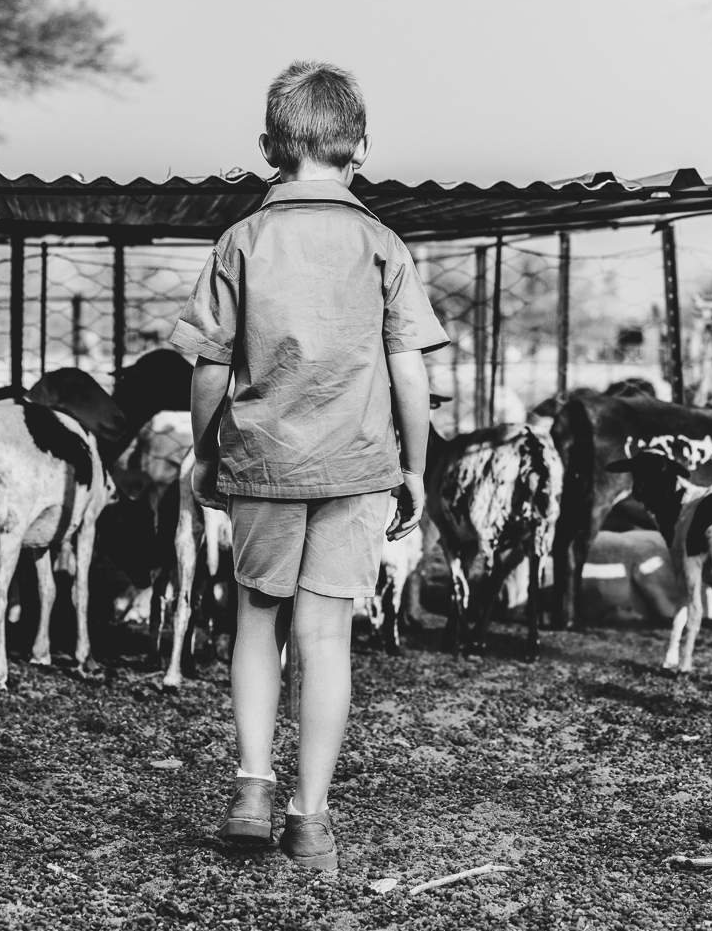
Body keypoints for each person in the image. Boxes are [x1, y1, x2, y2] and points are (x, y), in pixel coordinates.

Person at [170, 61, 446, 871]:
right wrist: (417, 467)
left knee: (257, 620)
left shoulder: (242, 241)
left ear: (267, 147)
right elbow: (411, 371)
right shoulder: (382, 244)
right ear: (360, 145)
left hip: (261, 464)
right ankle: (310, 820)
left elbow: (210, 365)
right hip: (358, 469)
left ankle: (251, 787)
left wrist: (204, 449)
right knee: (325, 637)